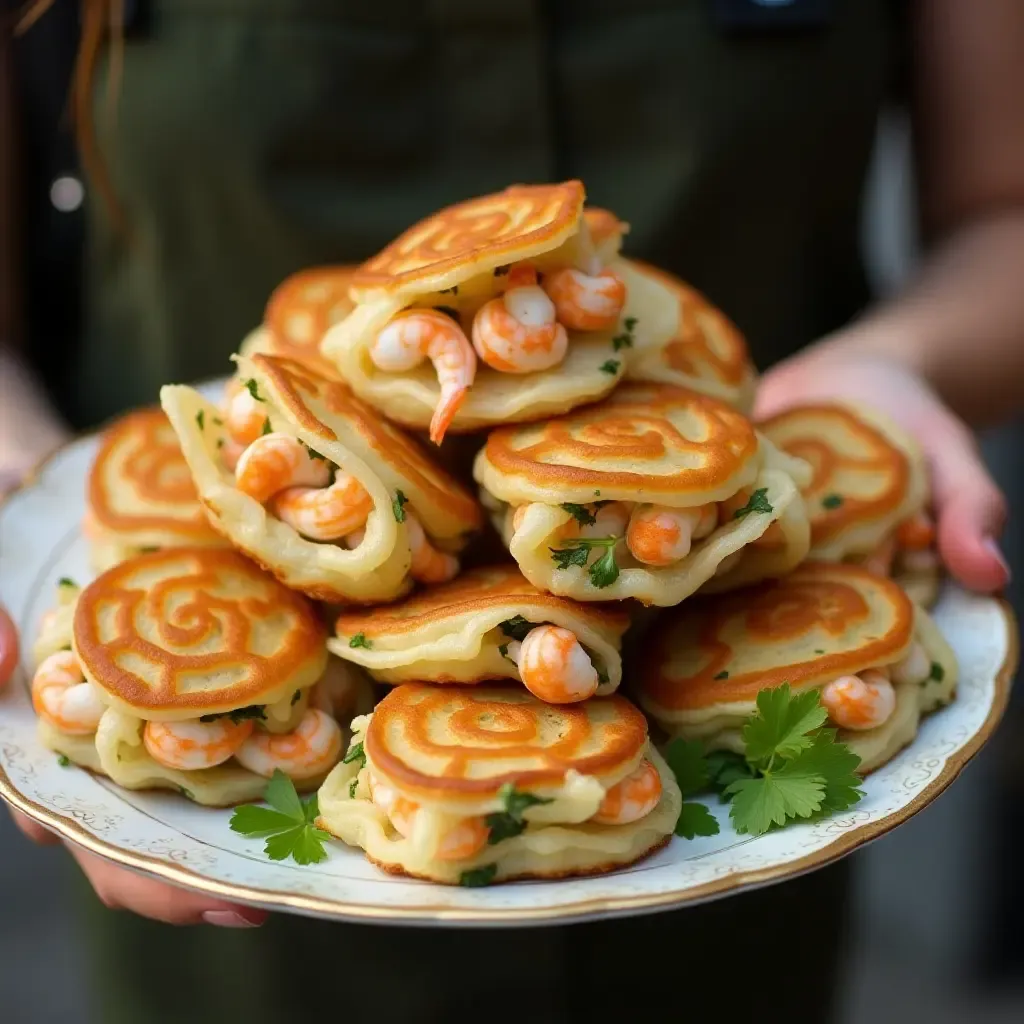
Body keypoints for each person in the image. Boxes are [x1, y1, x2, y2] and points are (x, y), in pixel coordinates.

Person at [2, 1, 1022, 1022]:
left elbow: (1002, 215)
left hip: (730, 880)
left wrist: (900, 359)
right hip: (248, 953)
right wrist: (20, 489)